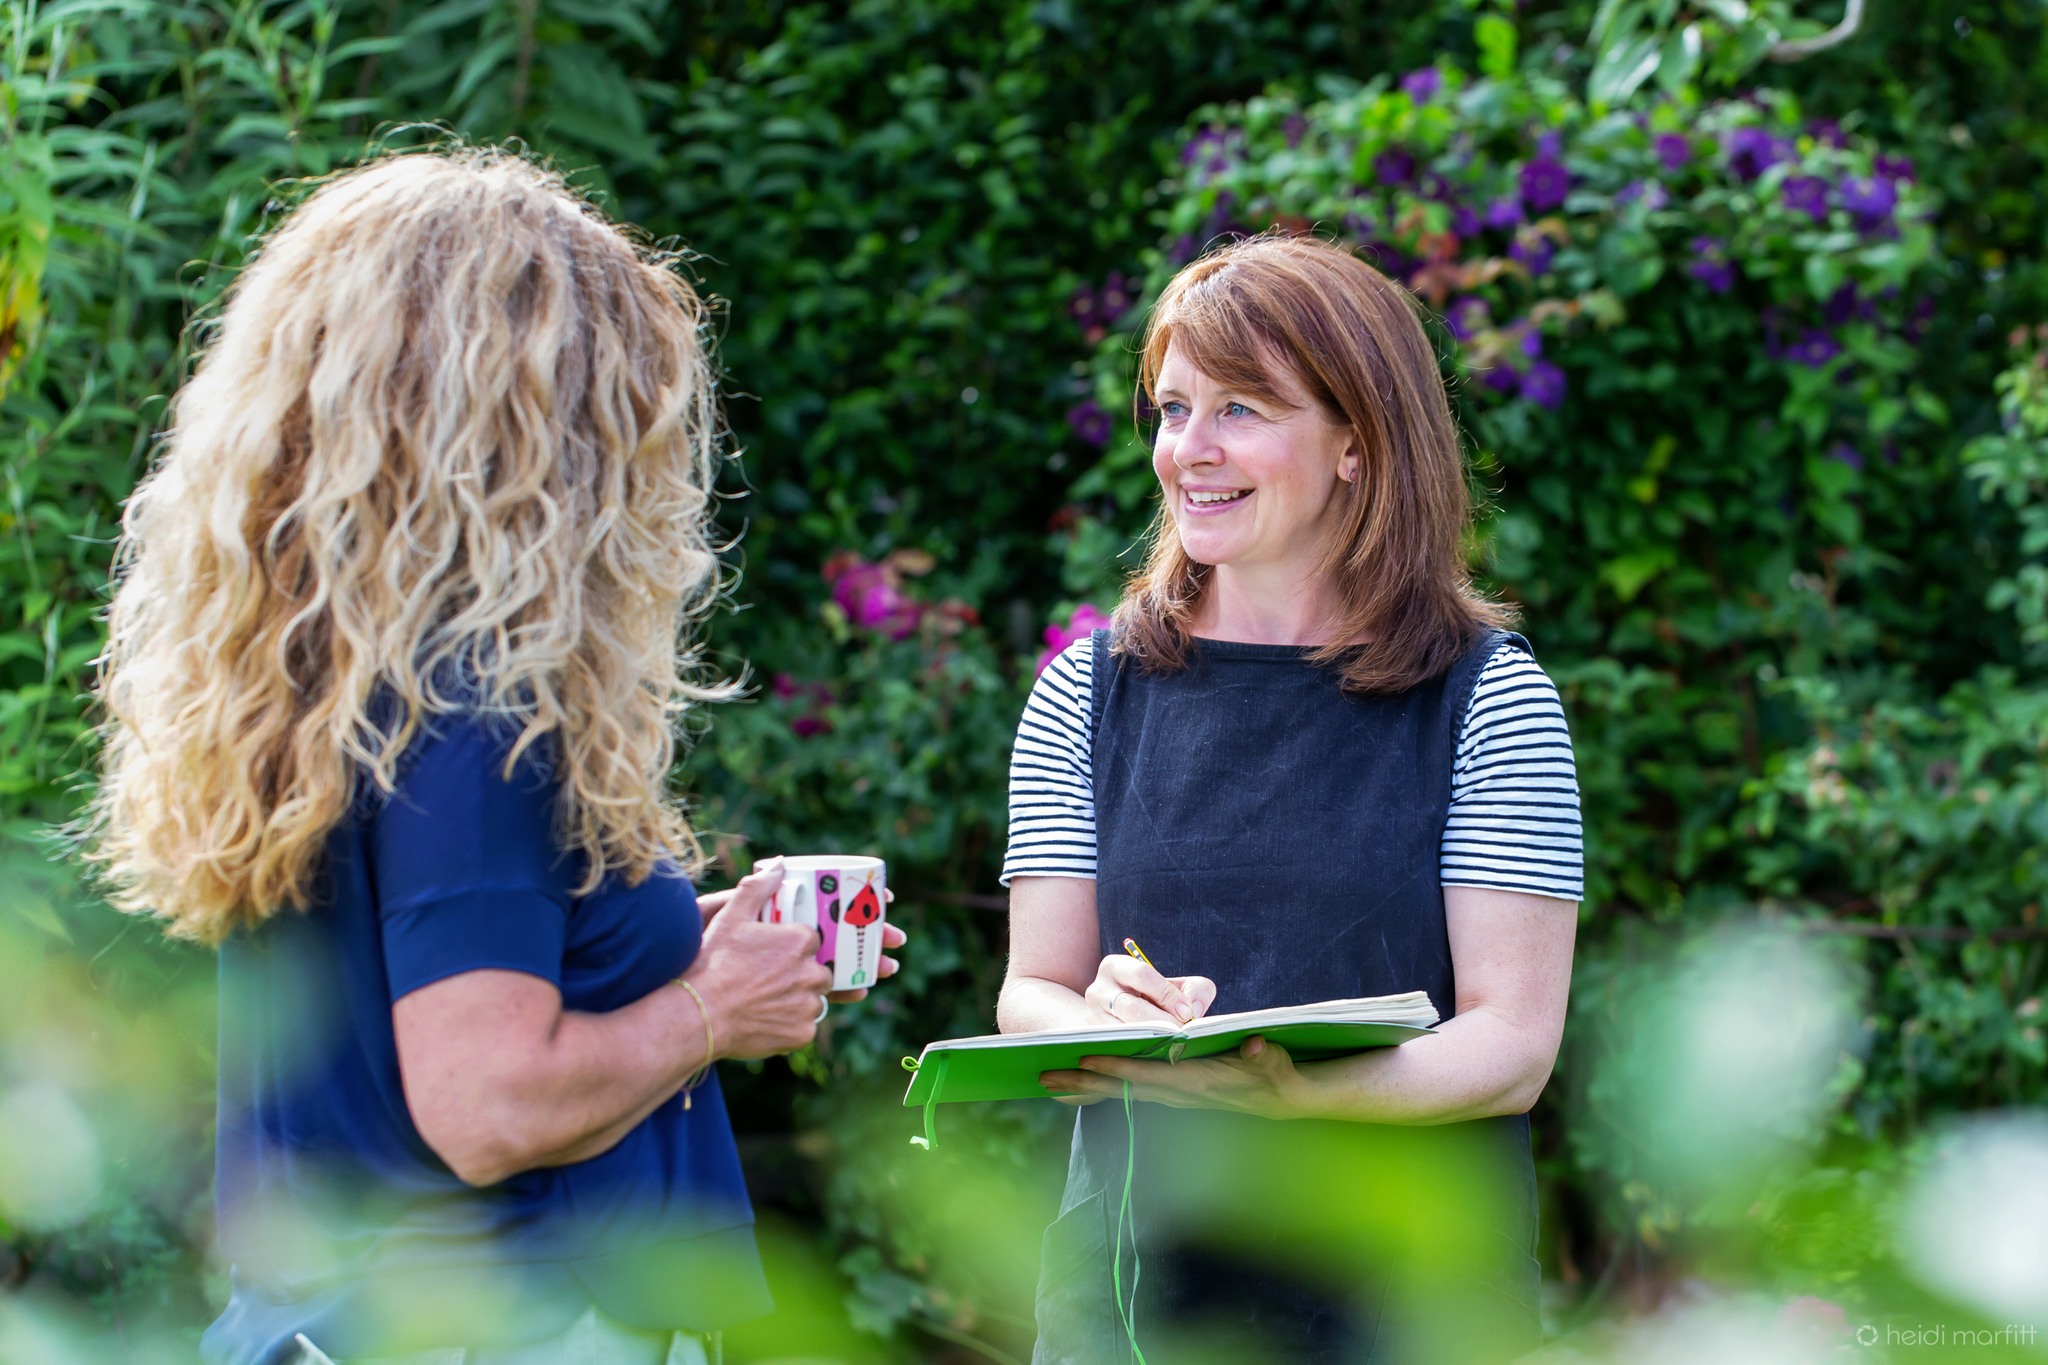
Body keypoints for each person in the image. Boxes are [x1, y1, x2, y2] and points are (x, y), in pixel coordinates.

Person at [87, 149, 903, 1365]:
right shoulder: (477, 714)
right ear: (536, 423)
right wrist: (711, 1010)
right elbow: (484, 1103)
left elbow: (438, 975)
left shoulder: (345, 689)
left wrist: (694, 938)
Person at [998, 232, 1582, 1364]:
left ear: (1356, 443)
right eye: (1172, 410)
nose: (1188, 450)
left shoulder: (1488, 698)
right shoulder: (1085, 687)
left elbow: (1512, 1042)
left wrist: (1294, 1102)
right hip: (1131, 1289)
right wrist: (1109, 1021)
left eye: (1239, 410)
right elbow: (1032, 989)